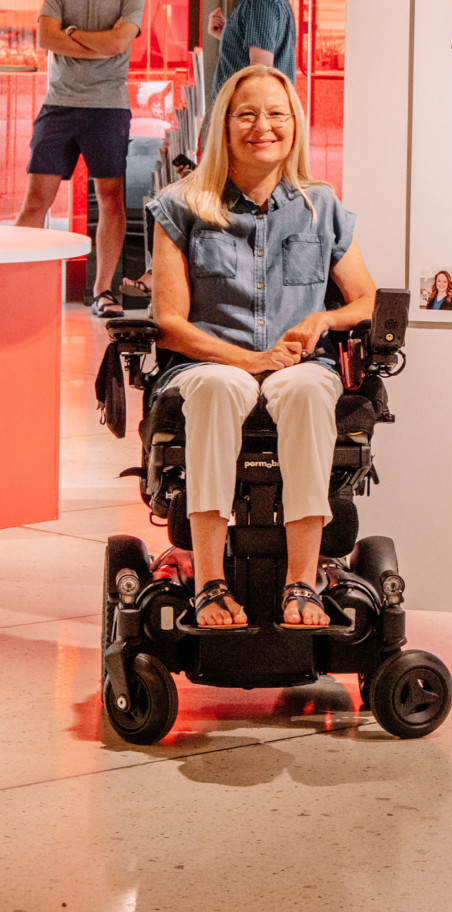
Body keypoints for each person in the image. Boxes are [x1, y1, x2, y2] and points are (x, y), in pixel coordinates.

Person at [148, 64, 377, 629]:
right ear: (224, 126)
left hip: (298, 366)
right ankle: (208, 581)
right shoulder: (183, 206)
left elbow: (366, 301)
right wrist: (248, 361)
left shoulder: (320, 207)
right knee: (219, 386)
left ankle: (302, 580)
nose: (263, 126)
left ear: (295, 125)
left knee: (303, 389)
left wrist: (323, 318)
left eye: (277, 114)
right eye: (247, 114)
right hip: (208, 363)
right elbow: (170, 323)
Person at [17, 0, 145, 318]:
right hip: (59, 104)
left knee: (110, 200)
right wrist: (93, 40)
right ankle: (17, 285)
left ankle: (103, 291)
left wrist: (72, 34)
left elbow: (119, 44)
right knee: (36, 200)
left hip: (107, 107)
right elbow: (46, 36)